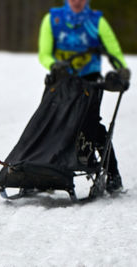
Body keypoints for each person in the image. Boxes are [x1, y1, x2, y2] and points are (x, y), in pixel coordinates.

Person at [38, 0, 131, 193]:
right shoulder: (53, 19)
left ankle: (112, 173)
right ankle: (42, 170)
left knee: (91, 125)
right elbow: (44, 54)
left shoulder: (96, 21)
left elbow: (113, 49)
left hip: (90, 82)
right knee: (50, 123)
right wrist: (54, 65)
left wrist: (121, 69)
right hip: (61, 80)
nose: (77, 1)